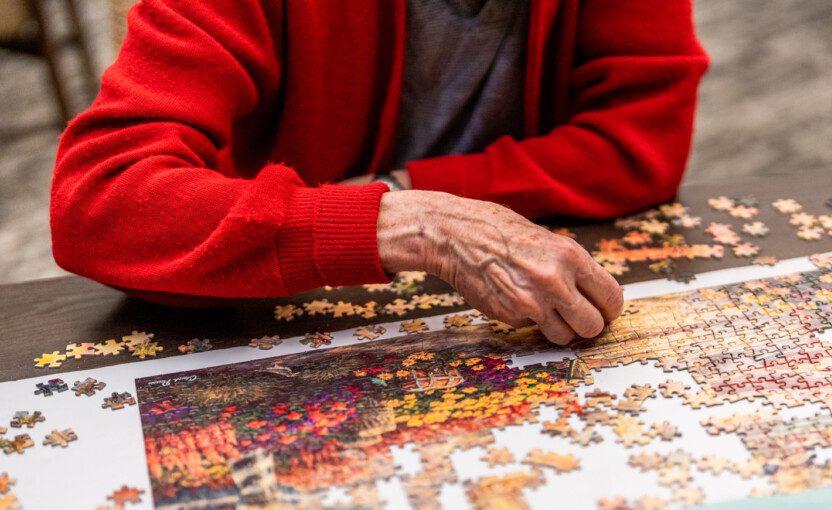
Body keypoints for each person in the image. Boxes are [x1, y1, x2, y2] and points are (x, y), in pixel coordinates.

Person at [50, 0, 708, 345]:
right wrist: (416, 226)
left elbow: (636, 145)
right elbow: (99, 203)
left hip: (503, 326)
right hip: (275, 319)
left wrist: (408, 197)